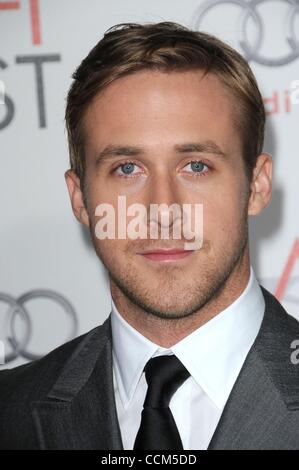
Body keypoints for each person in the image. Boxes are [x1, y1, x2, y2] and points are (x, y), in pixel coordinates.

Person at [0, 21, 298, 450]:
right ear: (80, 197)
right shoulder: (10, 412)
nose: (163, 210)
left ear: (257, 186)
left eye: (196, 165)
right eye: (127, 168)